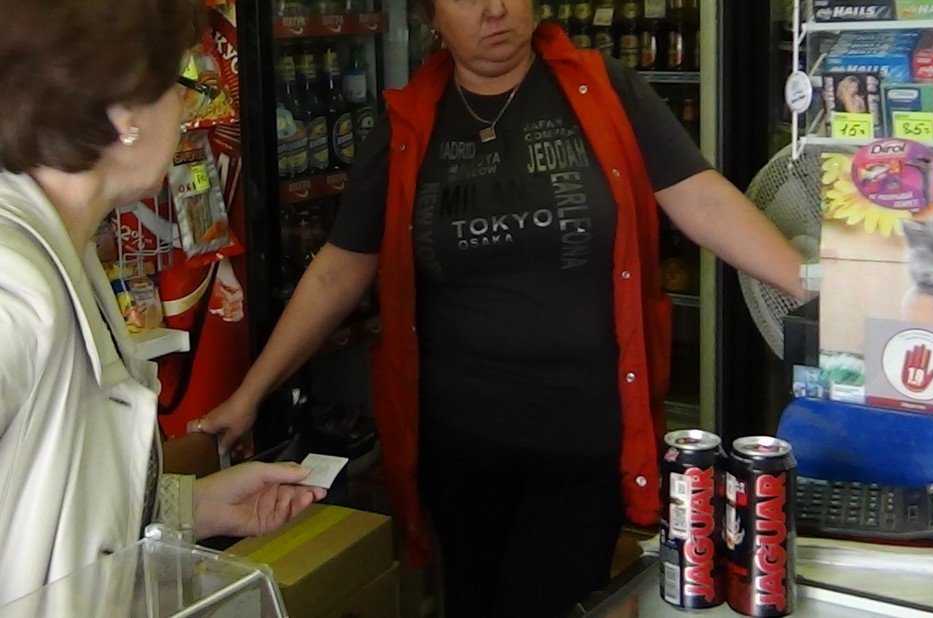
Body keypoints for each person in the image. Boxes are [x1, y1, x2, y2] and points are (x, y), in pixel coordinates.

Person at [194, 0, 807, 615]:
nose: (494, 10)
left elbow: (701, 198)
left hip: (583, 440)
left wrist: (815, 292)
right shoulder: (409, 123)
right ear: (431, 17)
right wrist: (250, 395)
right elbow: (339, 269)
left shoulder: (603, 90)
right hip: (457, 448)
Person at [0, 0, 324, 605]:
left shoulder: (63, 251)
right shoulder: (12, 284)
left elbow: (46, 499)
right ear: (125, 112)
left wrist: (190, 507)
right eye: (181, 84)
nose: (186, 106)